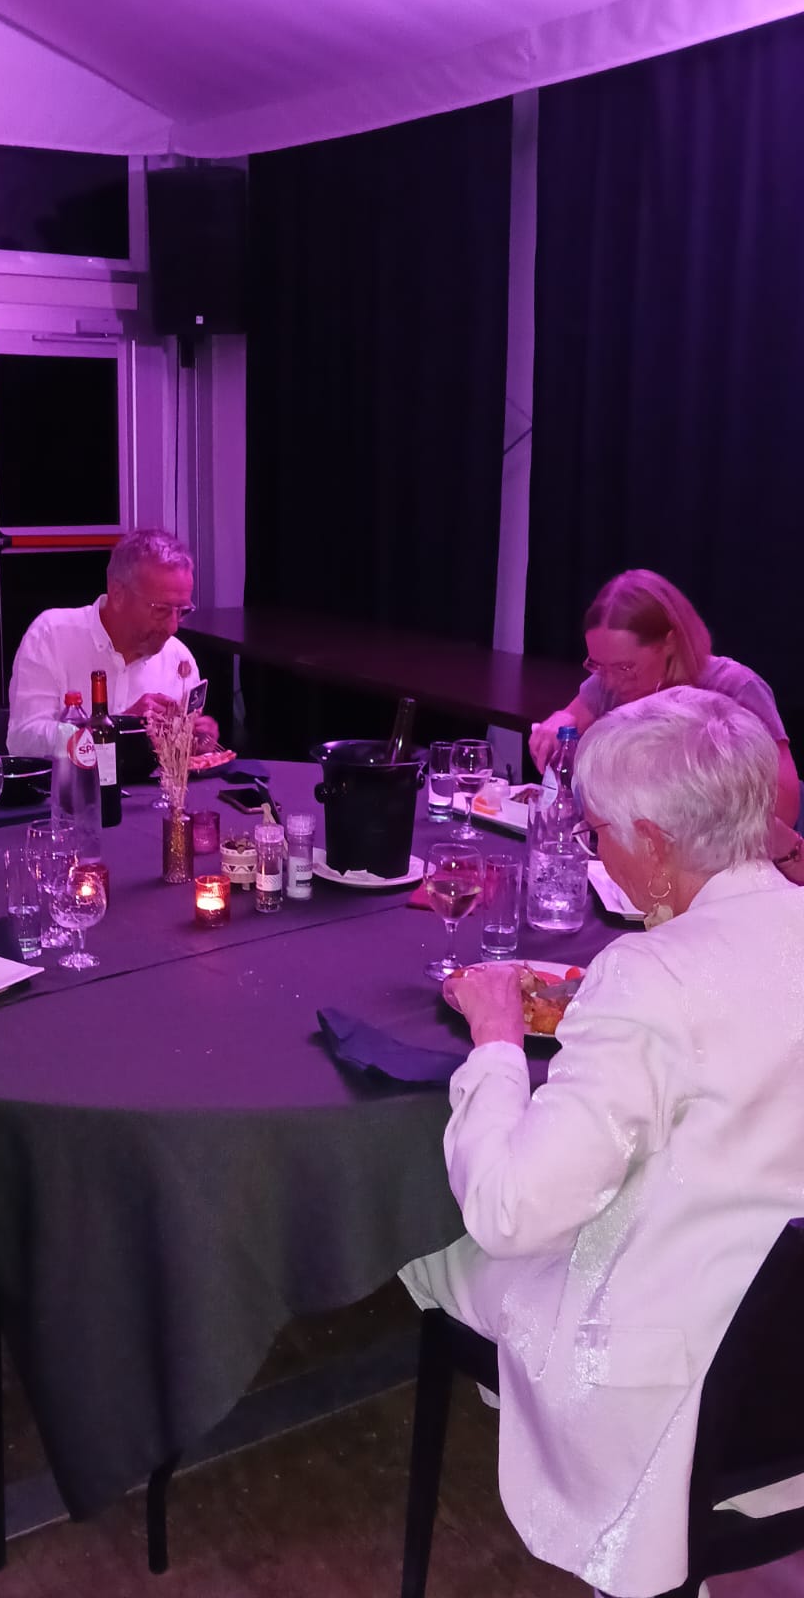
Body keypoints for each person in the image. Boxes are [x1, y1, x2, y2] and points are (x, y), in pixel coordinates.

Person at [402, 687, 804, 1598]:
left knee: (437, 1243)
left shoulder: (651, 973)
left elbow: (511, 1212)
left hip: (677, 1377)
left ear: (654, 844)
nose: (595, 852)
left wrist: (496, 1040)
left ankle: (577, 1463)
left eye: (598, 833)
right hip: (786, 1342)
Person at [528, 569, 799, 823]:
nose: (610, 682)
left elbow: (785, 808)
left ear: (670, 643)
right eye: (598, 665)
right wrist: (560, 722)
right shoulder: (609, 683)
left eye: (625, 667)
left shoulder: (734, 687)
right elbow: (568, 723)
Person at [6, 528, 220, 758]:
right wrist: (118, 728)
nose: (173, 627)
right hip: (72, 782)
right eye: (161, 610)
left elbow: (177, 763)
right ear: (117, 594)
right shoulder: (51, 636)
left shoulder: (179, 659)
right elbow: (23, 739)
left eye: (181, 611)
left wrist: (194, 745)